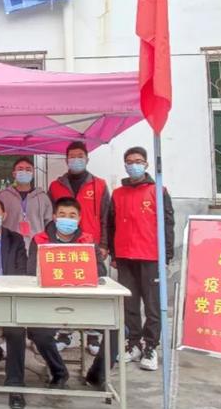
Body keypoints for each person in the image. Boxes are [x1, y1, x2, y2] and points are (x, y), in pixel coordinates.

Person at [0, 197, 68, 409]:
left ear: (4, 215)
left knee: (15, 331)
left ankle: (15, 385)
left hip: (10, 296)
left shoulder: (16, 239)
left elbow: (21, 272)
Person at [29, 197, 117, 391]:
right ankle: (59, 372)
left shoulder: (87, 241)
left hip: (83, 303)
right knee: (37, 331)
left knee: (119, 328)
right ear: (54, 217)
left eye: (72, 215)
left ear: (79, 218)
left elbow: (101, 271)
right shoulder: (40, 240)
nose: (66, 219)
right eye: (62, 214)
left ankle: (97, 374)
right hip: (48, 303)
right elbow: (30, 272)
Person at [108, 146, 175, 372]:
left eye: (137, 161)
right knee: (130, 304)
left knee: (153, 306)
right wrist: (114, 254)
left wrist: (167, 255)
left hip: (150, 256)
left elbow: (168, 223)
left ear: (146, 164)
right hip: (125, 256)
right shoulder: (118, 194)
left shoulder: (158, 191)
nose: (133, 165)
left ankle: (151, 346)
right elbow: (111, 225)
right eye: (129, 161)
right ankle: (133, 343)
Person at [48, 141, 112, 355]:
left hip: (90, 245)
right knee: (64, 289)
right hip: (62, 245)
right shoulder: (55, 186)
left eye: (80, 156)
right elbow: (50, 217)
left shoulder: (99, 185)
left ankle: (93, 335)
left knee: (90, 291)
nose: (76, 160)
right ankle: (64, 333)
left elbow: (106, 217)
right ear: (66, 160)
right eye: (72, 157)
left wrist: (104, 244)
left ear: (87, 159)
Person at [0, 157, 54, 252]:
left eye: (28, 169)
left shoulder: (42, 197)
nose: (24, 172)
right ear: (14, 173)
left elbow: (49, 223)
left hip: (36, 246)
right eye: (20, 169)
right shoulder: (3, 196)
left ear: (33, 174)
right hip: (10, 246)